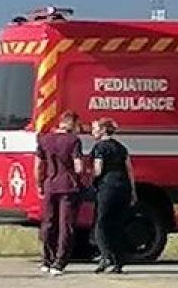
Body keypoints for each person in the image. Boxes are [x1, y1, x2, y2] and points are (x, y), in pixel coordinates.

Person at [36, 111, 86, 275]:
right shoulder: (74, 141)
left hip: (50, 184)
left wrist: (40, 184)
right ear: (72, 124)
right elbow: (78, 167)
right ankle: (59, 262)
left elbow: (38, 166)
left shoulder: (44, 139)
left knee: (49, 222)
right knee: (66, 225)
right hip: (68, 185)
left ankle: (46, 259)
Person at [89, 118, 135, 274]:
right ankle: (119, 261)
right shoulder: (122, 148)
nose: (92, 132)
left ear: (103, 130)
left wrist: (91, 181)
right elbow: (129, 170)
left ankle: (105, 256)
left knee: (101, 225)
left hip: (107, 188)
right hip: (124, 188)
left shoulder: (99, 148)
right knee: (117, 225)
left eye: (94, 129)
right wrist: (133, 192)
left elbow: (98, 170)